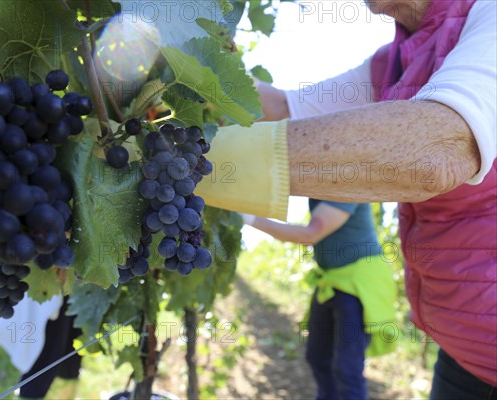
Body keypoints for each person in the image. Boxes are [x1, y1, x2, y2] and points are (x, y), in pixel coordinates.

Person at [195, 0, 496, 397]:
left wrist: (194, 167)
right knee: (324, 362)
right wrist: (200, 69)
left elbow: (435, 151)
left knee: (344, 369)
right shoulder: (391, 63)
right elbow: (286, 108)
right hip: (463, 352)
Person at [241, 199, 398, 399]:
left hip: (359, 280)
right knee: (317, 357)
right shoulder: (319, 186)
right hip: (331, 280)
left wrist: (248, 217)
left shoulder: (346, 178)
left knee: (347, 368)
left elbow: (310, 233)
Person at [0, 294, 82, 399]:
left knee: (70, 351)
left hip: (73, 288)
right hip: (48, 290)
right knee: (42, 357)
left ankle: (63, 393)